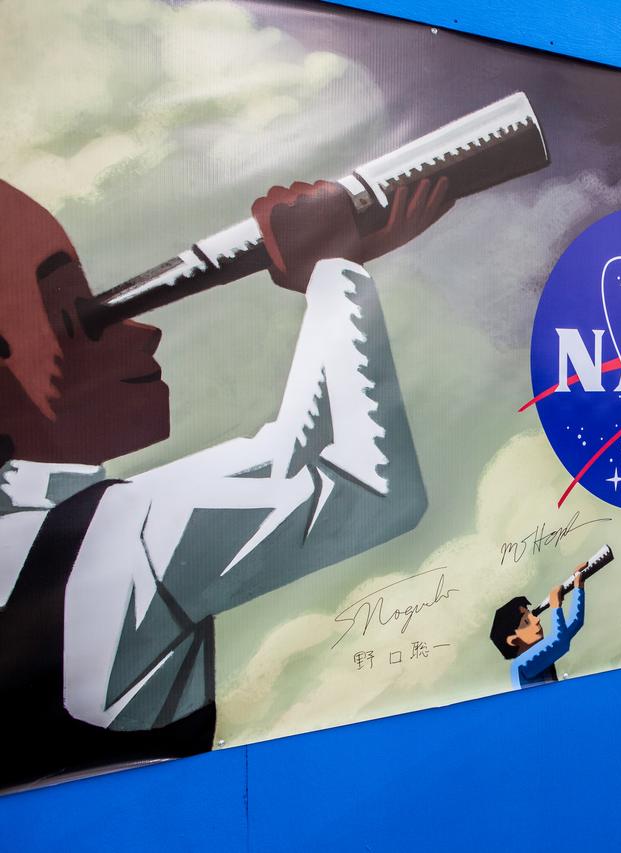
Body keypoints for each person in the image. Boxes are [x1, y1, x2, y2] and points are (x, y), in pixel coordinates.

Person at [0, 175, 452, 790]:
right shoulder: (109, 541)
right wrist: (332, 271)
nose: (141, 328)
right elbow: (359, 486)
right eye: (79, 314)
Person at [489, 568, 586, 688]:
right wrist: (556, 607)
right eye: (526, 621)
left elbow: (576, 622)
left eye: (531, 615)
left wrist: (578, 587)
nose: (537, 620)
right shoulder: (522, 666)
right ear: (513, 640)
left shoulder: (542, 652)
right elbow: (561, 642)